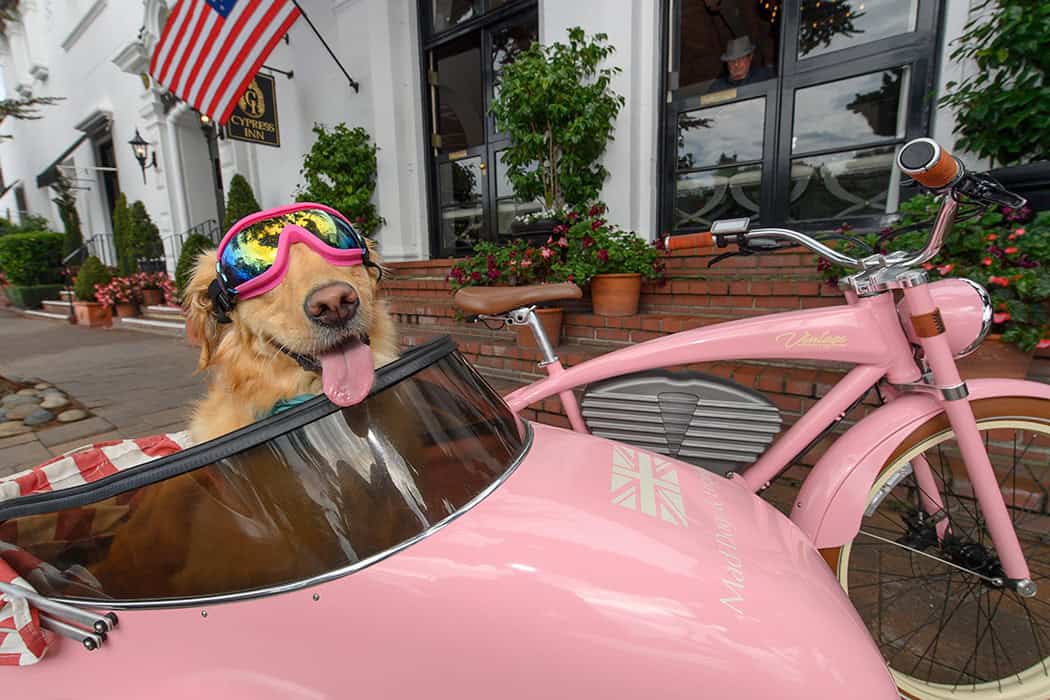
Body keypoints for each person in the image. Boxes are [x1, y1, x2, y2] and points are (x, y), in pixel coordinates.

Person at [707, 36, 772, 93]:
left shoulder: (763, 77)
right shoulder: (717, 87)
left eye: (741, 59)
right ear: (727, 63)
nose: (736, 64)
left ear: (750, 57)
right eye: (731, 61)